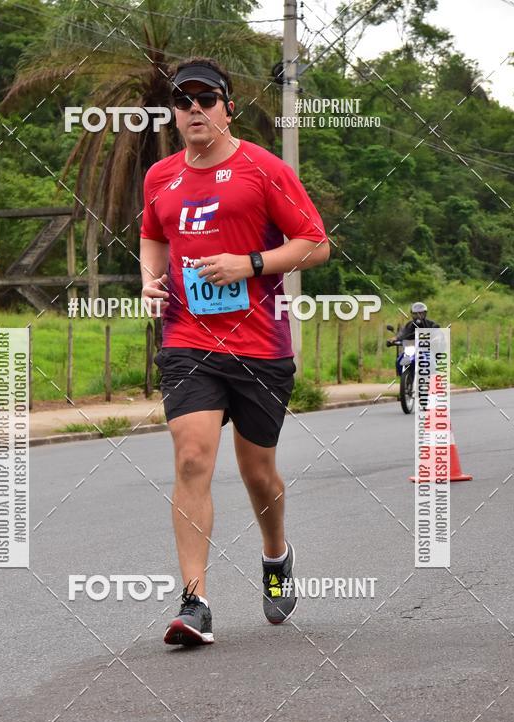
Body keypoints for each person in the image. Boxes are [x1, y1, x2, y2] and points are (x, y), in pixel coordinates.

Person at [139, 57, 329, 647]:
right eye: (182, 100)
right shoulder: (161, 176)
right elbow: (152, 234)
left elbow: (315, 246)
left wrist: (249, 264)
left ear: (228, 107)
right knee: (192, 457)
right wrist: (150, 279)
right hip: (187, 339)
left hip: (259, 344)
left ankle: (276, 555)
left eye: (206, 99)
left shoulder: (264, 169)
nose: (194, 109)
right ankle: (194, 602)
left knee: (257, 471)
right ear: (173, 113)